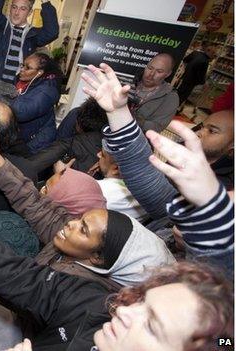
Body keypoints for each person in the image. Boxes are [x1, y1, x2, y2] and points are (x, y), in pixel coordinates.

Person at [0, 167, 233, 351]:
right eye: (140, 299)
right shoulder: (95, 307)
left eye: (153, 325)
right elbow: (11, 270)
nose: (125, 310)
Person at [0, 116, 174, 290]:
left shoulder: (71, 286)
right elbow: (34, 203)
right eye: (80, 219)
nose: (71, 224)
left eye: (83, 229)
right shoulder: (74, 242)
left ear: (98, 258)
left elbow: (12, 276)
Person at [81, 62, 234, 275]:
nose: (201, 133)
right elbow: (155, 189)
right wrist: (118, 113)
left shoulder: (223, 185)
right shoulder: (186, 163)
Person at [0, 0, 58, 84]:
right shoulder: (0, 26)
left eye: (23, 9)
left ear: (30, 12)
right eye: (14, 7)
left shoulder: (32, 34)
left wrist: (45, 2)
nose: (16, 12)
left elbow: (52, 32)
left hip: (13, 89)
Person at [12, 52, 62, 153]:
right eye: (23, 65)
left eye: (28, 68)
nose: (22, 69)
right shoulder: (21, 81)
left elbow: (21, 113)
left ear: (40, 72)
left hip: (36, 143)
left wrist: (4, 98)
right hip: (24, 135)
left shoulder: (47, 91)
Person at [93, 146, 149, 221]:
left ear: (116, 169)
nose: (98, 154)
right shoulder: (148, 190)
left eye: (102, 155)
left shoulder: (101, 190)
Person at [127, 53, 179, 132]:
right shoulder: (130, 81)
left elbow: (157, 127)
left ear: (168, 74)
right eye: (150, 68)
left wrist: (131, 118)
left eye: (159, 71)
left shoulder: (170, 97)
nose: (151, 74)